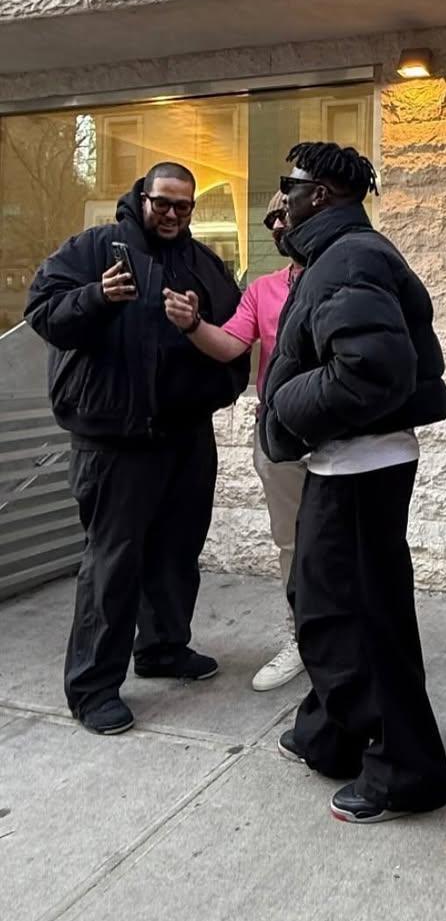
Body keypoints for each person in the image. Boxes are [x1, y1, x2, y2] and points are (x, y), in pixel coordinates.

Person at [260, 141, 446, 825]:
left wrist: (285, 406)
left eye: (291, 185)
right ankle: (332, 733)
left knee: (359, 622)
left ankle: (406, 771)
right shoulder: (336, 256)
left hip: (361, 467)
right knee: (324, 606)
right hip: (346, 464)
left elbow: (371, 368)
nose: (281, 201)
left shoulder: (351, 256)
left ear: (326, 194)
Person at [24, 163, 249, 736]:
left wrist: (200, 337)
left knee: (177, 551)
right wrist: (97, 297)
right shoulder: (95, 249)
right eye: (163, 203)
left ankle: (164, 648)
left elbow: (235, 338)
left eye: (184, 206)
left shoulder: (203, 264)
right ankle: (94, 687)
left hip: (185, 436)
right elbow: (43, 312)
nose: (172, 215)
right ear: (142, 197)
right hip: (114, 440)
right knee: (112, 562)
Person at [162, 191, 307, 692]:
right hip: (282, 436)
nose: (279, 226)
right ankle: (302, 639)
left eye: (287, 214)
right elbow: (230, 344)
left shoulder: (349, 272)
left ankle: (351, 640)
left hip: (346, 439)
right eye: (272, 218)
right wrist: (192, 324)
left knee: (347, 544)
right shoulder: (264, 289)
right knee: (291, 545)